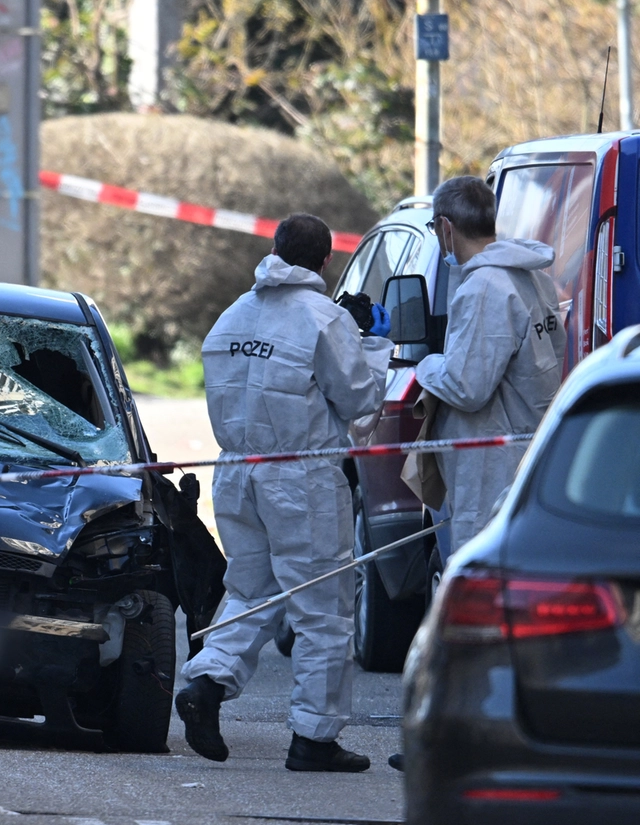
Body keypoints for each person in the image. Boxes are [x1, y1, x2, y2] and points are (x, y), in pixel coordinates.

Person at [175, 213, 392, 773]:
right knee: (322, 609)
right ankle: (313, 739)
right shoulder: (324, 319)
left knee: (251, 591)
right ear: (325, 261)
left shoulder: (231, 318)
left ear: (274, 249)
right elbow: (361, 401)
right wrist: (366, 341)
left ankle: (206, 683)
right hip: (302, 480)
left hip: (237, 473)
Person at [415, 176, 566, 552]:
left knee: (485, 577)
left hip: (490, 466)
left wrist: (426, 365)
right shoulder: (535, 279)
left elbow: (467, 388)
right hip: (529, 450)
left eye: (435, 228)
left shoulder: (484, 288)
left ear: (446, 227)